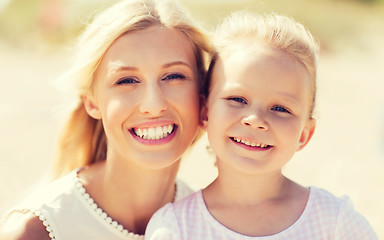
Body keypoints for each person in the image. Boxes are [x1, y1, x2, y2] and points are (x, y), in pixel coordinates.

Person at [145, 11, 379, 240]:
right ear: (206, 112)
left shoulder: (335, 223)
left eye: (280, 109)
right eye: (237, 99)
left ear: (304, 135)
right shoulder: (175, 227)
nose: (256, 120)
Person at [0, 0, 211, 239]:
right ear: (92, 102)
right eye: (127, 80)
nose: (153, 105)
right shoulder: (35, 230)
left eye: (173, 76)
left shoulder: (211, 225)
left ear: (203, 96)